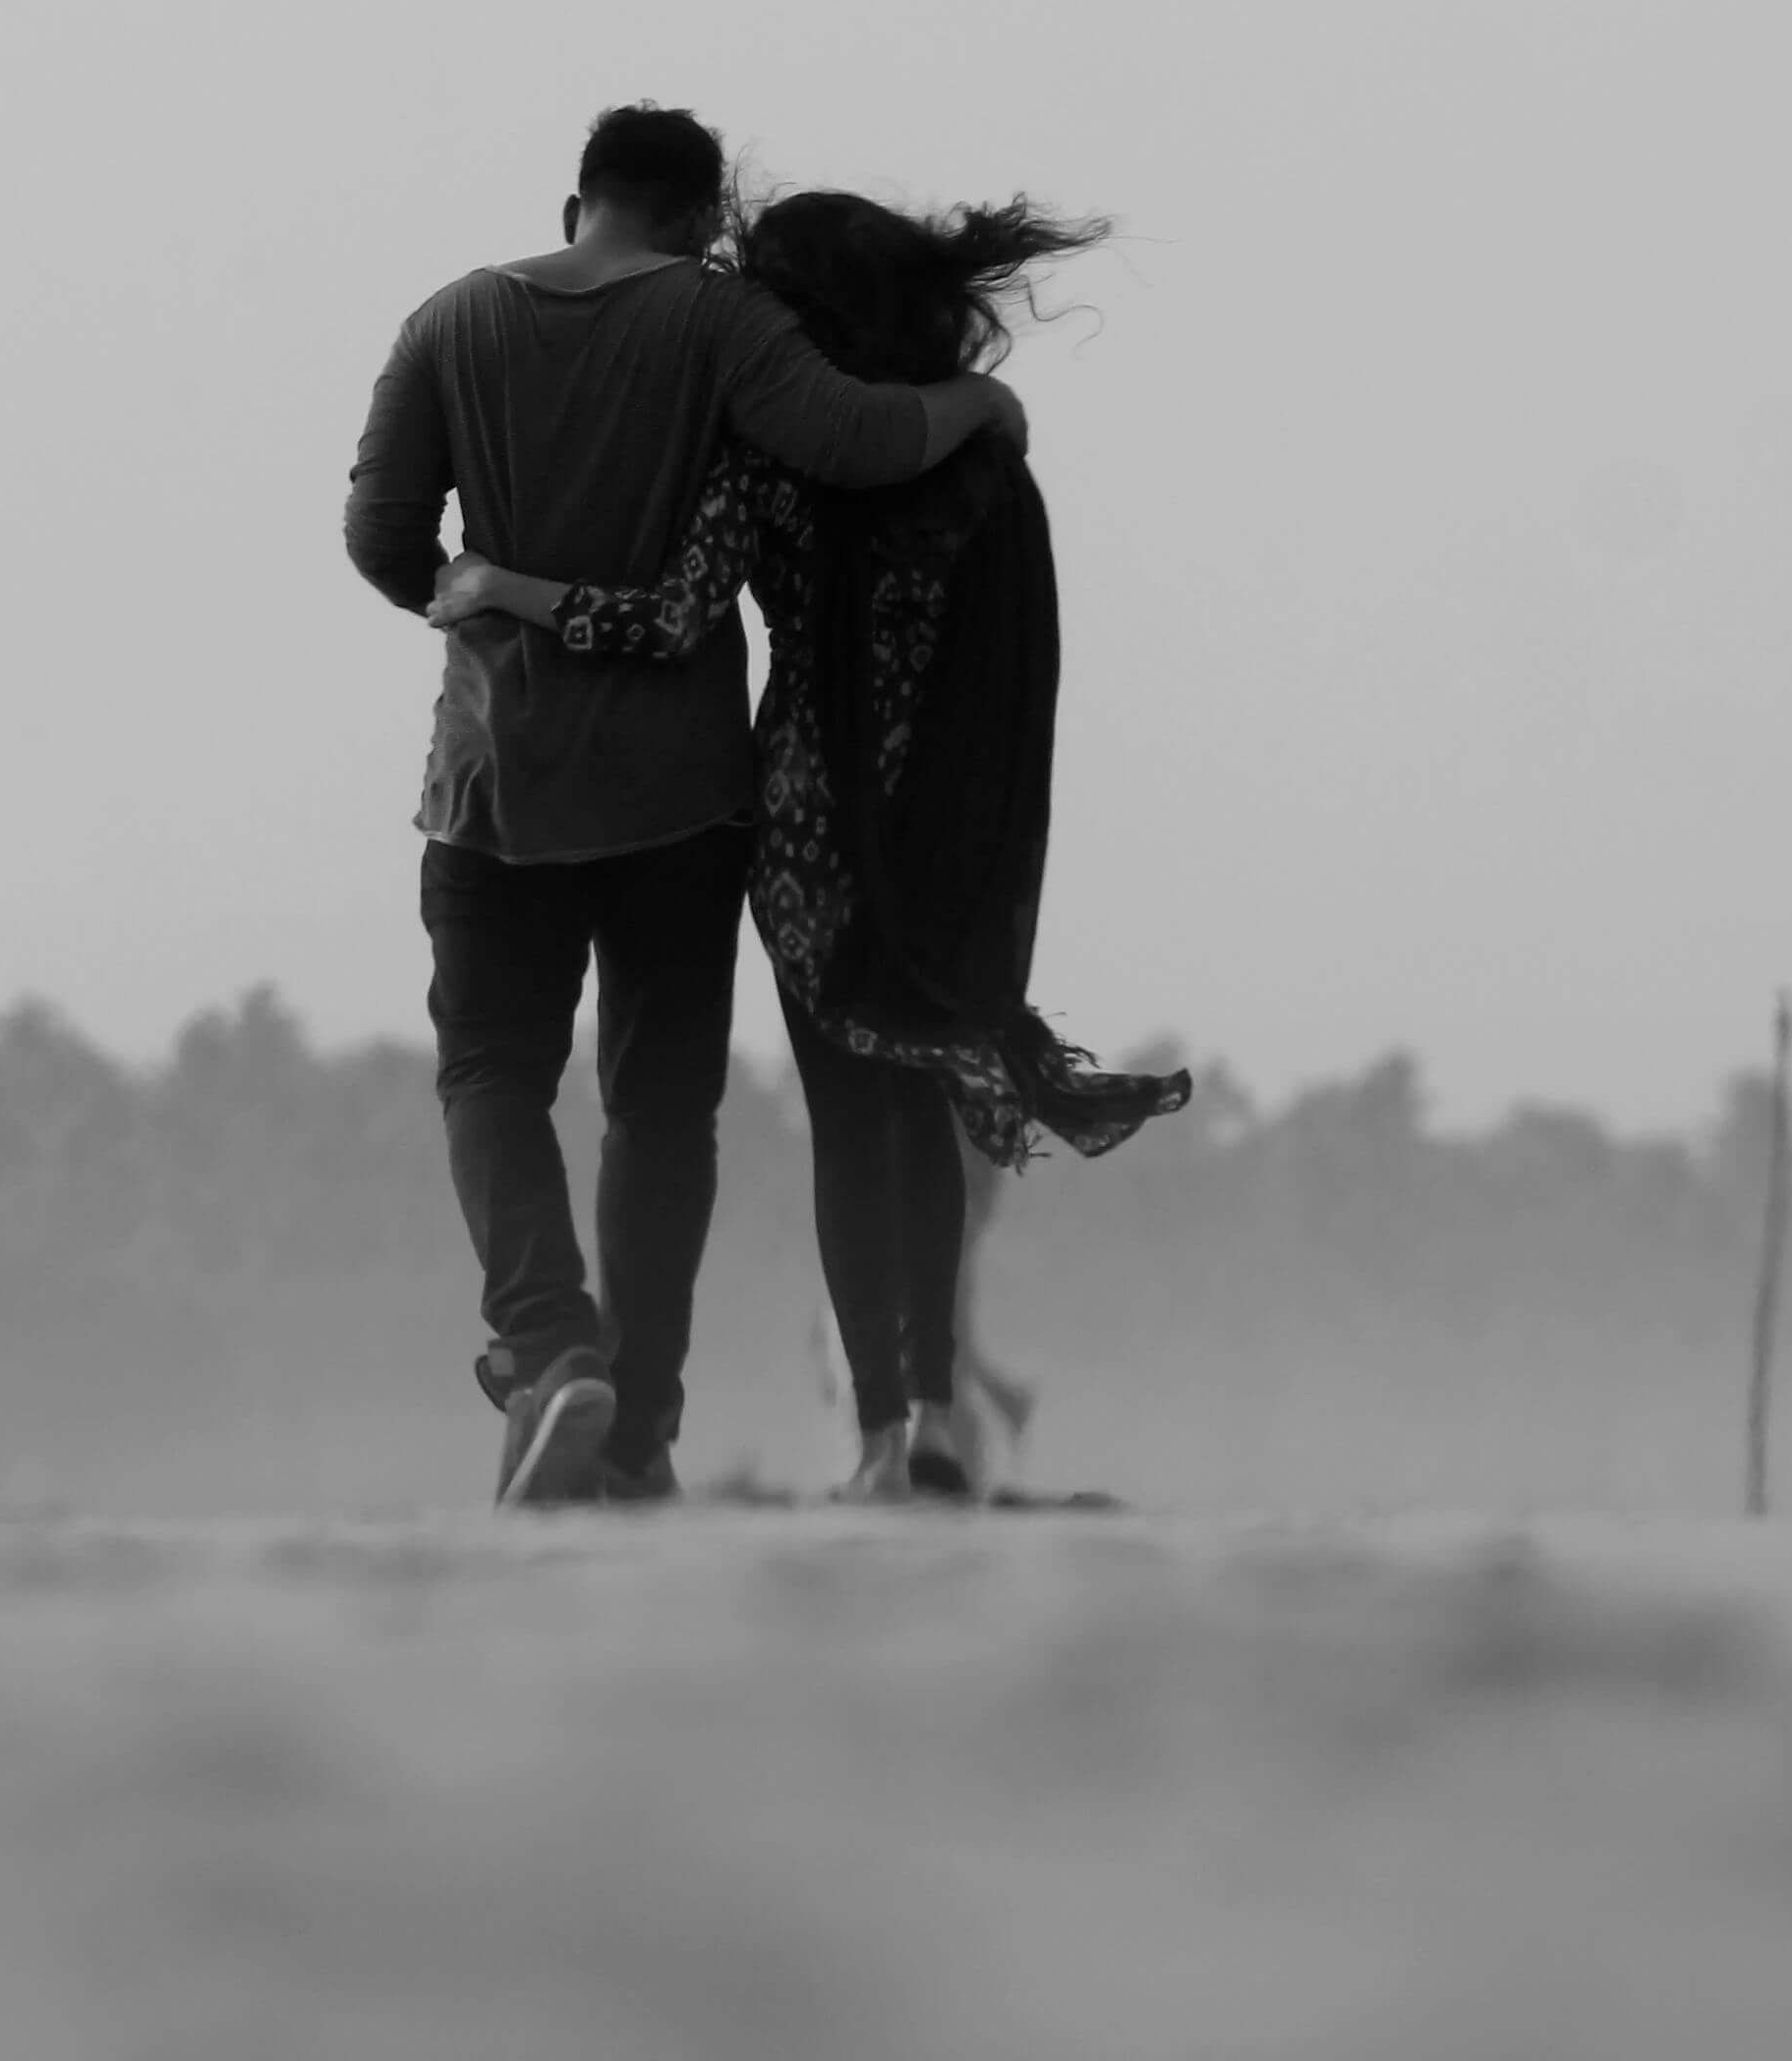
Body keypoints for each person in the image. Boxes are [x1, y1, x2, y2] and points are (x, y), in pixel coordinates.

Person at [429, 188, 1189, 1503]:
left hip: (803, 826)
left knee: (849, 1120)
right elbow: (1019, 668)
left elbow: (665, 621)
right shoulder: (983, 464)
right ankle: (942, 1425)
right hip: (943, 829)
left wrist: (504, 588)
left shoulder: (769, 463)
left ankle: (881, 1445)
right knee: (925, 1100)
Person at [343, 106, 1028, 1510]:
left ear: (573, 200)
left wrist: (472, 598)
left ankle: (547, 1352)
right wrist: (976, 403)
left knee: (490, 1074)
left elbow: (377, 538)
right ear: (702, 220)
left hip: (491, 779)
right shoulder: (717, 325)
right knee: (662, 1110)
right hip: (680, 796)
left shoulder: (445, 325)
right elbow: (848, 436)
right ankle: (641, 1427)